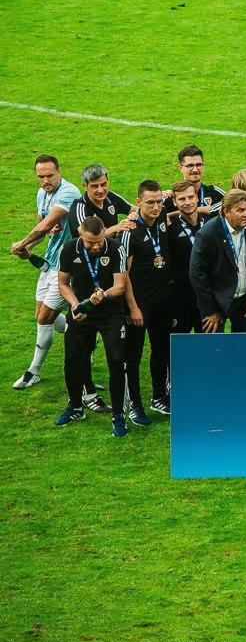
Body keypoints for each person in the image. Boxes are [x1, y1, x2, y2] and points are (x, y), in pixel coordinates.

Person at [54, 216, 137, 436]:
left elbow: (120, 285)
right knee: (72, 360)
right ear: (81, 234)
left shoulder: (115, 248)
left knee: (116, 361)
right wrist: (75, 304)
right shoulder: (69, 249)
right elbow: (63, 283)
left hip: (111, 314)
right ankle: (75, 406)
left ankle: (118, 415)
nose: (96, 246)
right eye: (91, 242)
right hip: (81, 314)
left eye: (99, 241)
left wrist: (103, 295)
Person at [11, 155, 78, 391]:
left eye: (50, 175)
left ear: (59, 172)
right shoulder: (42, 193)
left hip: (66, 266)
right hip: (49, 263)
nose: (46, 180)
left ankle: (33, 371)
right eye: (41, 176)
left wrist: (22, 242)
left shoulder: (68, 193)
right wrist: (27, 248)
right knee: (40, 314)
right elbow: (40, 229)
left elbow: (47, 224)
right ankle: (82, 334)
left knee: (44, 318)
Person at [120, 181, 173, 416]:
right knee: (133, 356)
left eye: (159, 202)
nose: (155, 207)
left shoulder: (162, 218)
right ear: (138, 202)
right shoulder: (130, 232)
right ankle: (135, 405)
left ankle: (159, 397)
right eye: (150, 202)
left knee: (161, 350)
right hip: (139, 304)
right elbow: (124, 275)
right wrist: (133, 308)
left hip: (162, 301)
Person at [189, 189, 246, 333]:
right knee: (215, 345)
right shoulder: (207, 234)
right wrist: (210, 310)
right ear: (226, 211)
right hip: (217, 300)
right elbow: (197, 274)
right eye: (240, 210)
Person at [166, 180, 207, 342]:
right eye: (182, 199)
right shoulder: (169, 228)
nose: (188, 202)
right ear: (174, 202)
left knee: (207, 345)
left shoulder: (211, 223)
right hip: (181, 299)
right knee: (178, 345)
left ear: (197, 197)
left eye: (191, 197)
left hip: (207, 297)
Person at [66, 164, 135, 239]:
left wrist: (134, 215)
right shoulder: (79, 208)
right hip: (91, 246)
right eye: (95, 186)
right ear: (85, 186)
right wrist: (116, 228)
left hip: (111, 245)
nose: (101, 190)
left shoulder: (110, 196)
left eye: (103, 184)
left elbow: (135, 210)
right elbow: (88, 236)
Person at [163, 145, 224, 218]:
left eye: (199, 165)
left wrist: (178, 213)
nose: (195, 170)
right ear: (180, 168)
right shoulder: (170, 198)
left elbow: (232, 206)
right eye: (190, 166)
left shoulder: (216, 193)